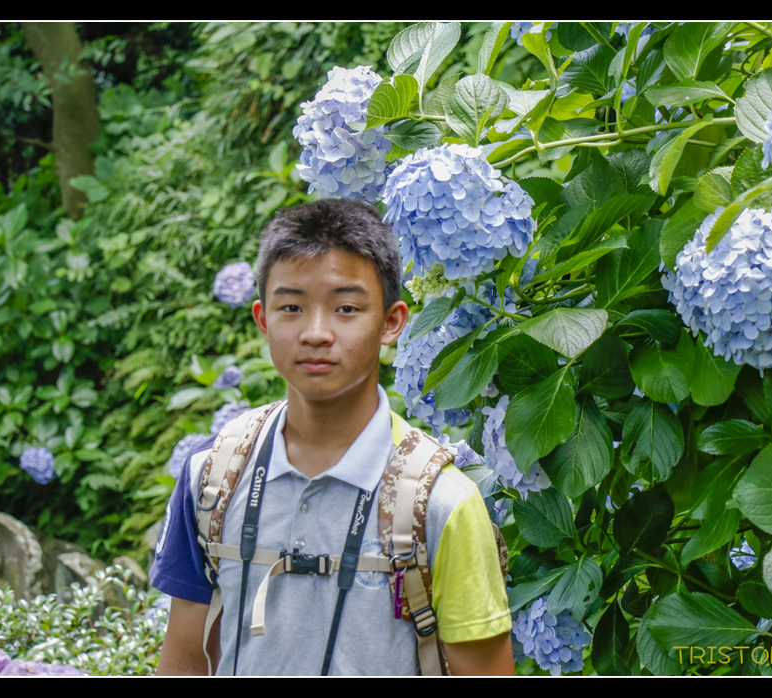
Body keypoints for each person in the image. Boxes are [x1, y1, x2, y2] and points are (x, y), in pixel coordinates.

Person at [151, 198, 513, 676]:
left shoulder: (442, 504)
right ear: (263, 318)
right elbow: (183, 664)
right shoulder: (213, 476)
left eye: (346, 308)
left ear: (391, 322)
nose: (316, 333)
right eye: (292, 307)